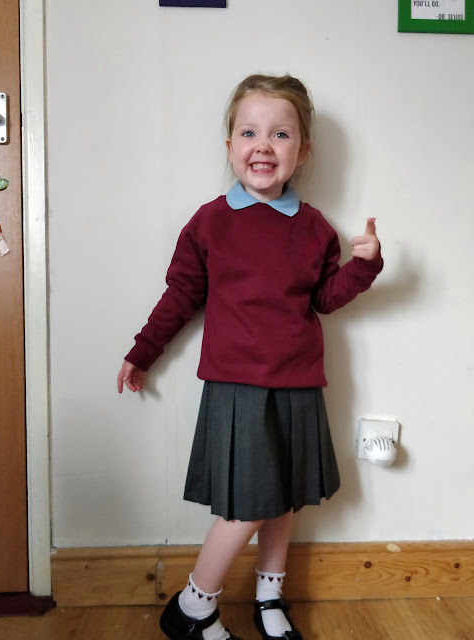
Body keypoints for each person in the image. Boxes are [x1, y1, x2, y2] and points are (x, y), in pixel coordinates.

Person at [117, 73, 383, 640]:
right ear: (230, 145)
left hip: (299, 384)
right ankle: (192, 608)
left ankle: (269, 595)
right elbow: (181, 295)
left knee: (283, 500)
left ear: (302, 152)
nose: (263, 145)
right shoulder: (210, 222)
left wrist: (362, 268)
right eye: (249, 132)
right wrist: (143, 351)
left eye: (280, 134)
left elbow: (324, 298)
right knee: (247, 506)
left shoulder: (315, 228)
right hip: (238, 388)